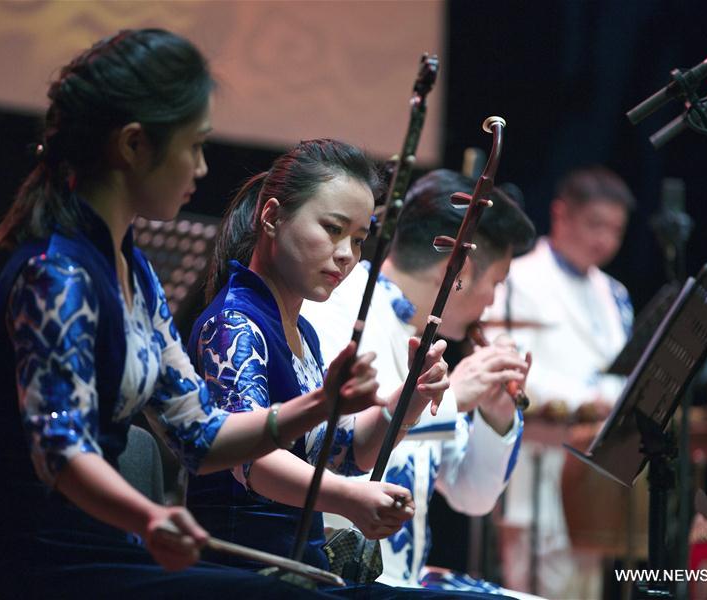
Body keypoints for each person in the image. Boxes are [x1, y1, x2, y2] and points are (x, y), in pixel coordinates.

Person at [0, 29, 383, 600]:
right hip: (31, 566)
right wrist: (148, 517)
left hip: (99, 554)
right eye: (193, 147)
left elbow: (199, 435)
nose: (202, 168)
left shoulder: (135, 273)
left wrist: (320, 403)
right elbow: (60, 447)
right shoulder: (57, 273)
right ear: (134, 145)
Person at [185, 140, 458, 579]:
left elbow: (340, 451)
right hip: (243, 573)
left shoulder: (301, 331)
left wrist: (409, 399)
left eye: (359, 239)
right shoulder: (234, 324)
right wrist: (348, 499)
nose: (347, 254)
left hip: (296, 571)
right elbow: (252, 461)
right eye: (332, 229)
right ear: (272, 217)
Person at [302, 169, 537, 595]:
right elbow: (335, 443)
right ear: (457, 269)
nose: (491, 303)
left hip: (404, 579)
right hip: (341, 578)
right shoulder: (339, 310)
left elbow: (472, 495)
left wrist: (495, 416)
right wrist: (454, 397)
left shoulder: (424, 335)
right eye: (496, 284)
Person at [487, 166, 635, 599]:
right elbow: (504, 364)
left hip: (596, 471)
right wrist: (590, 399)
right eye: (595, 224)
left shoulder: (614, 291)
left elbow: (621, 370)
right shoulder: (517, 277)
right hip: (539, 463)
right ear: (561, 214)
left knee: (588, 588)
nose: (604, 239)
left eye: (615, 230)